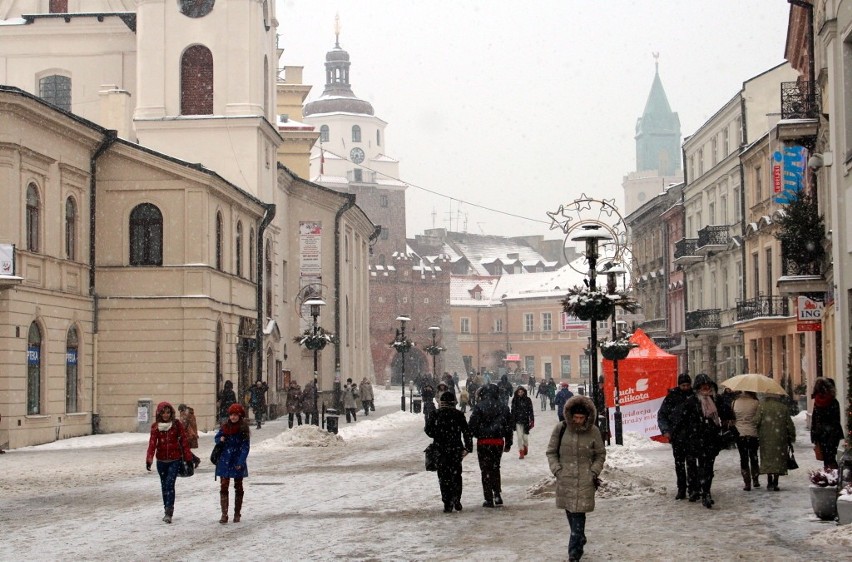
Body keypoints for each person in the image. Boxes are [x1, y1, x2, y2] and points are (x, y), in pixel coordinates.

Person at [546, 395, 606, 562]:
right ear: (570, 415)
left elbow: (600, 454)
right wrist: (557, 470)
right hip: (565, 478)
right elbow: (551, 452)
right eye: (576, 417)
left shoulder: (593, 431)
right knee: (570, 511)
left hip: (585, 479)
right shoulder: (561, 428)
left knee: (579, 513)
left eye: (582, 418)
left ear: (587, 416)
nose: (578, 421)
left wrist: (593, 472)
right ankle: (579, 536)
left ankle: (574, 552)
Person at [682, 373, 733, 508]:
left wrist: (727, 424)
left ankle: (706, 492)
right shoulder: (692, 402)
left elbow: (727, 413)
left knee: (708, 467)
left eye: (708, 386)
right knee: (701, 466)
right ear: (698, 388)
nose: (706, 389)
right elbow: (684, 421)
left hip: (712, 439)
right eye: (703, 387)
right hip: (697, 440)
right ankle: (700, 490)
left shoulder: (716, 400)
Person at [145, 401, 195, 524]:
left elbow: (183, 442)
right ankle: (166, 508)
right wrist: (149, 459)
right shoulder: (155, 427)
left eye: (168, 412)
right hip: (161, 461)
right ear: (159, 413)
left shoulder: (176, 425)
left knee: (169, 484)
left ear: (171, 413)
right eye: (163, 412)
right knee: (164, 485)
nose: (166, 415)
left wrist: (188, 459)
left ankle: (169, 511)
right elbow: (152, 444)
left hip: (174, 460)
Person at [424, 391, 473, 513]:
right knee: (456, 475)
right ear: (453, 402)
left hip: (440, 449)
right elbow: (466, 432)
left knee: (443, 476)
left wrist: (438, 433)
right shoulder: (458, 414)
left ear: (441, 402)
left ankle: (447, 502)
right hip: (456, 449)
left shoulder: (435, 414)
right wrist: (468, 447)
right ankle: (456, 499)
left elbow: (429, 431)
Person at [468, 384, 513, 508]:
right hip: (498, 441)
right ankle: (497, 493)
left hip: (483, 442)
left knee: (485, 470)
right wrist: (508, 442)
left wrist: (476, 436)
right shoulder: (503, 407)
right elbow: (509, 427)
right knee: (495, 467)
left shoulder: (479, 407)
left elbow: (471, 426)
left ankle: (488, 498)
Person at [657, 373, 698, 500]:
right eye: (683, 385)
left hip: (692, 435)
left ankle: (693, 489)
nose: (685, 387)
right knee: (679, 464)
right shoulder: (672, 397)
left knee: (691, 463)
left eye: (687, 385)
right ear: (679, 385)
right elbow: (662, 414)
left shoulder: (695, 397)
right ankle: (682, 488)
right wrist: (666, 430)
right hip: (677, 436)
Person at [215, 403, 251, 524]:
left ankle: (237, 513)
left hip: (237, 460)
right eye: (231, 415)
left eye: (235, 415)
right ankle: (224, 514)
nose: (233, 417)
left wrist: (241, 461)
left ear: (239, 416)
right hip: (225, 460)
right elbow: (217, 437)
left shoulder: (243, 429)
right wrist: (220, 439)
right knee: (224, 485)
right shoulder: (225, 427)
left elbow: (246, 447)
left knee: (238, 486)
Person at [755, 393, 796, 492]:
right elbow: (789, 423)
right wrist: (792, 436)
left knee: (768, 458)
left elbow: (756, 421)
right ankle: (776, 482)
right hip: (780, 437)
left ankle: (769, 480)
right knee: (778, 459)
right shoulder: (783, 408)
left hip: (765, 438)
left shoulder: (762, 407)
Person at [811, 377, 844, 469]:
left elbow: (814, 419)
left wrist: (814, 435)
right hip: (832, 433)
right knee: (831, 457)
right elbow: (836, 419)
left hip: (821, 433)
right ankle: (833, 476)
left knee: (825, 457)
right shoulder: (833, 401)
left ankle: (828, 474)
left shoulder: (817, 402)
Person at [732, 391, 761, 490]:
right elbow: (758, 418)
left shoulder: (734, 402)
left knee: (743, 458)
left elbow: (733, 418)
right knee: (754, 456)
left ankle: (747, 482)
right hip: (753, 433)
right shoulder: (756, 402)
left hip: (740, 433)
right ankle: (755, 479)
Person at [511, 386, 535, 459]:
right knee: (519, 437)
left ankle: (525, 446)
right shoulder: (515, 400)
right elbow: (512, 411)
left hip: (525, 421)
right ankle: (521, 452)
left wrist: (532, 419)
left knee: (525, 438)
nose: (520, 393)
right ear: (517, 392)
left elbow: (531, 410)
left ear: (524, 392)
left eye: (521, 392)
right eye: (519, 392)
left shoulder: (528, 400)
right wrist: (512, 420)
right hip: (517, 421)